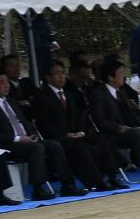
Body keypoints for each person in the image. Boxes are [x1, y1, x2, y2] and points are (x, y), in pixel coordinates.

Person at [33, 59, 121, 189]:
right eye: (57, 73)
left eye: (63, 73)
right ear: (48, 77)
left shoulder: (69, 94)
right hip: (57, 137)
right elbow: (43, 124)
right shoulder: (41, 96)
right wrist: (66, 134)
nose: (61, 76)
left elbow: (79, 117)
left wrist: (80, 131)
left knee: (101, 140)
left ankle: (112, 177)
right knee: (80, 146)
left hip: (74, 134)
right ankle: (97, 182)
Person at [0, 69, 76, 201]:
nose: (6, 85)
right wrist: (18, 138)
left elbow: (25, 122)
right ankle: (38, 188)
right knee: (36, 148)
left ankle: (67, 184)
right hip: (7, 144)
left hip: (25, 140)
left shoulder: (11, 101)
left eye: (7, 82)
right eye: (1, 82)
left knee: (54, 145)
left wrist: (32, 134)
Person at [86, 58, 140, 182]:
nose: (124, 76)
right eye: (121, 73)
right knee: (136, 135)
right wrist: (119, 128)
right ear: (111, 77)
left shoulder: (122, 92)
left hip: (130, 129)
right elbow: (100, 121)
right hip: (111, 134)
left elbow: (131, 115)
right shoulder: (98, 94)